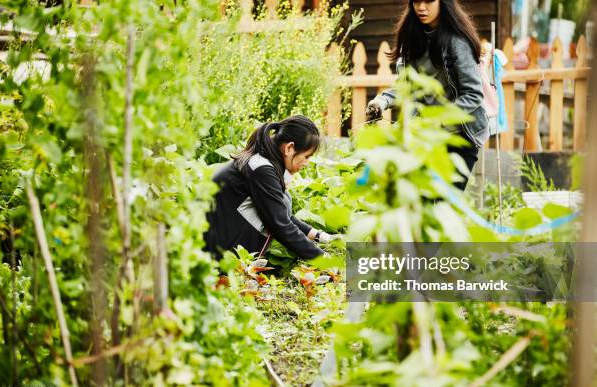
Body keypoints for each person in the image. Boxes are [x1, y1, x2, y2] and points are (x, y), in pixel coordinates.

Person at [366, 0, 488, 190]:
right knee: (418, 201)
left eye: (429, 1)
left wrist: (438, 119)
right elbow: (407, 85)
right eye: (417, 1)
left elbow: (473, 94)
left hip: (460, 136)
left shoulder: (457, 41)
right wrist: (382, 101)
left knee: (444, 204)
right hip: (426, 137)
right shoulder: (413, 37)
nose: (422, 7)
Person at [205, 115, 334, 260]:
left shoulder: (263, 163)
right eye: (306, 156)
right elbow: (280, 225)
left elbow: (280, 214)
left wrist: (320, 236)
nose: (307, 163)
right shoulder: (261, 168)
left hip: (223, 252)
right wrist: (325, 260)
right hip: (217, 258)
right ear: (290, 148)